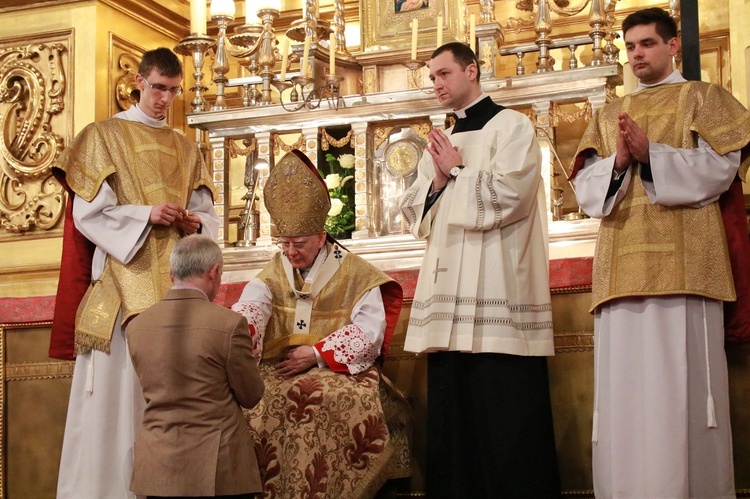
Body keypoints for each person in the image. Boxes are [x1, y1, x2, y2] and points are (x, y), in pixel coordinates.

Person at [570, 7, 750, 497]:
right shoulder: (610, 113)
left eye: (647, 44)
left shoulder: (704, 97)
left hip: (688, 265)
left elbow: (721, 170)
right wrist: (620, 161)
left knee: (682, 394)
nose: (636, 55)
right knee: (626, 396)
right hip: (622, 270)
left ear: (672, 46)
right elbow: (587, 192)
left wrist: (655, 156)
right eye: (629, 47)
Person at [50, 47, 220, 499]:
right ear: (140, 83)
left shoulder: (186, 147)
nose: (165, 99)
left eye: (174, 91)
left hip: (175, 287)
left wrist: (192, 222)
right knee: (116, 401)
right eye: (158, 88)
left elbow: (208, 214)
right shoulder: (102, 136)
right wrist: (147, 214)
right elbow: (89, 213)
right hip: (122, 282)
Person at [399, 42, 560, 497]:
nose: (436, 84)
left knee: (503, 414)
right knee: (455, 417)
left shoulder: (514, 126)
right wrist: (436, 178)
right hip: (450, 300)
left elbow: (513, 196)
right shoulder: (442, 138)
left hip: (498, 294)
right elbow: (415, 215)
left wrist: (458, 170)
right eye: (431, 76)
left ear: (472, 71)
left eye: (444, 73)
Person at [231, 149, 409, 499]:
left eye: (298, 244)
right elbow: (254, 303)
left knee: (338, 400)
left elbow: (369, 330)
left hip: (336, 370)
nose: (290, 252)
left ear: (320, 237)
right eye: (284, 244)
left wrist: (316, 353)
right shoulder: (275, 269)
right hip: (280, 367)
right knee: (254, 401)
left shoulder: (355, 272)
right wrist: (246, 329)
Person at [127, 235, 264, 499]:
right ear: (213, 272)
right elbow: (251, 395)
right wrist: (251, 357)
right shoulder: (229, 324)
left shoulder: (136, 326)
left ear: (171, 274)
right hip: (217, 469)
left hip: (157, 468)